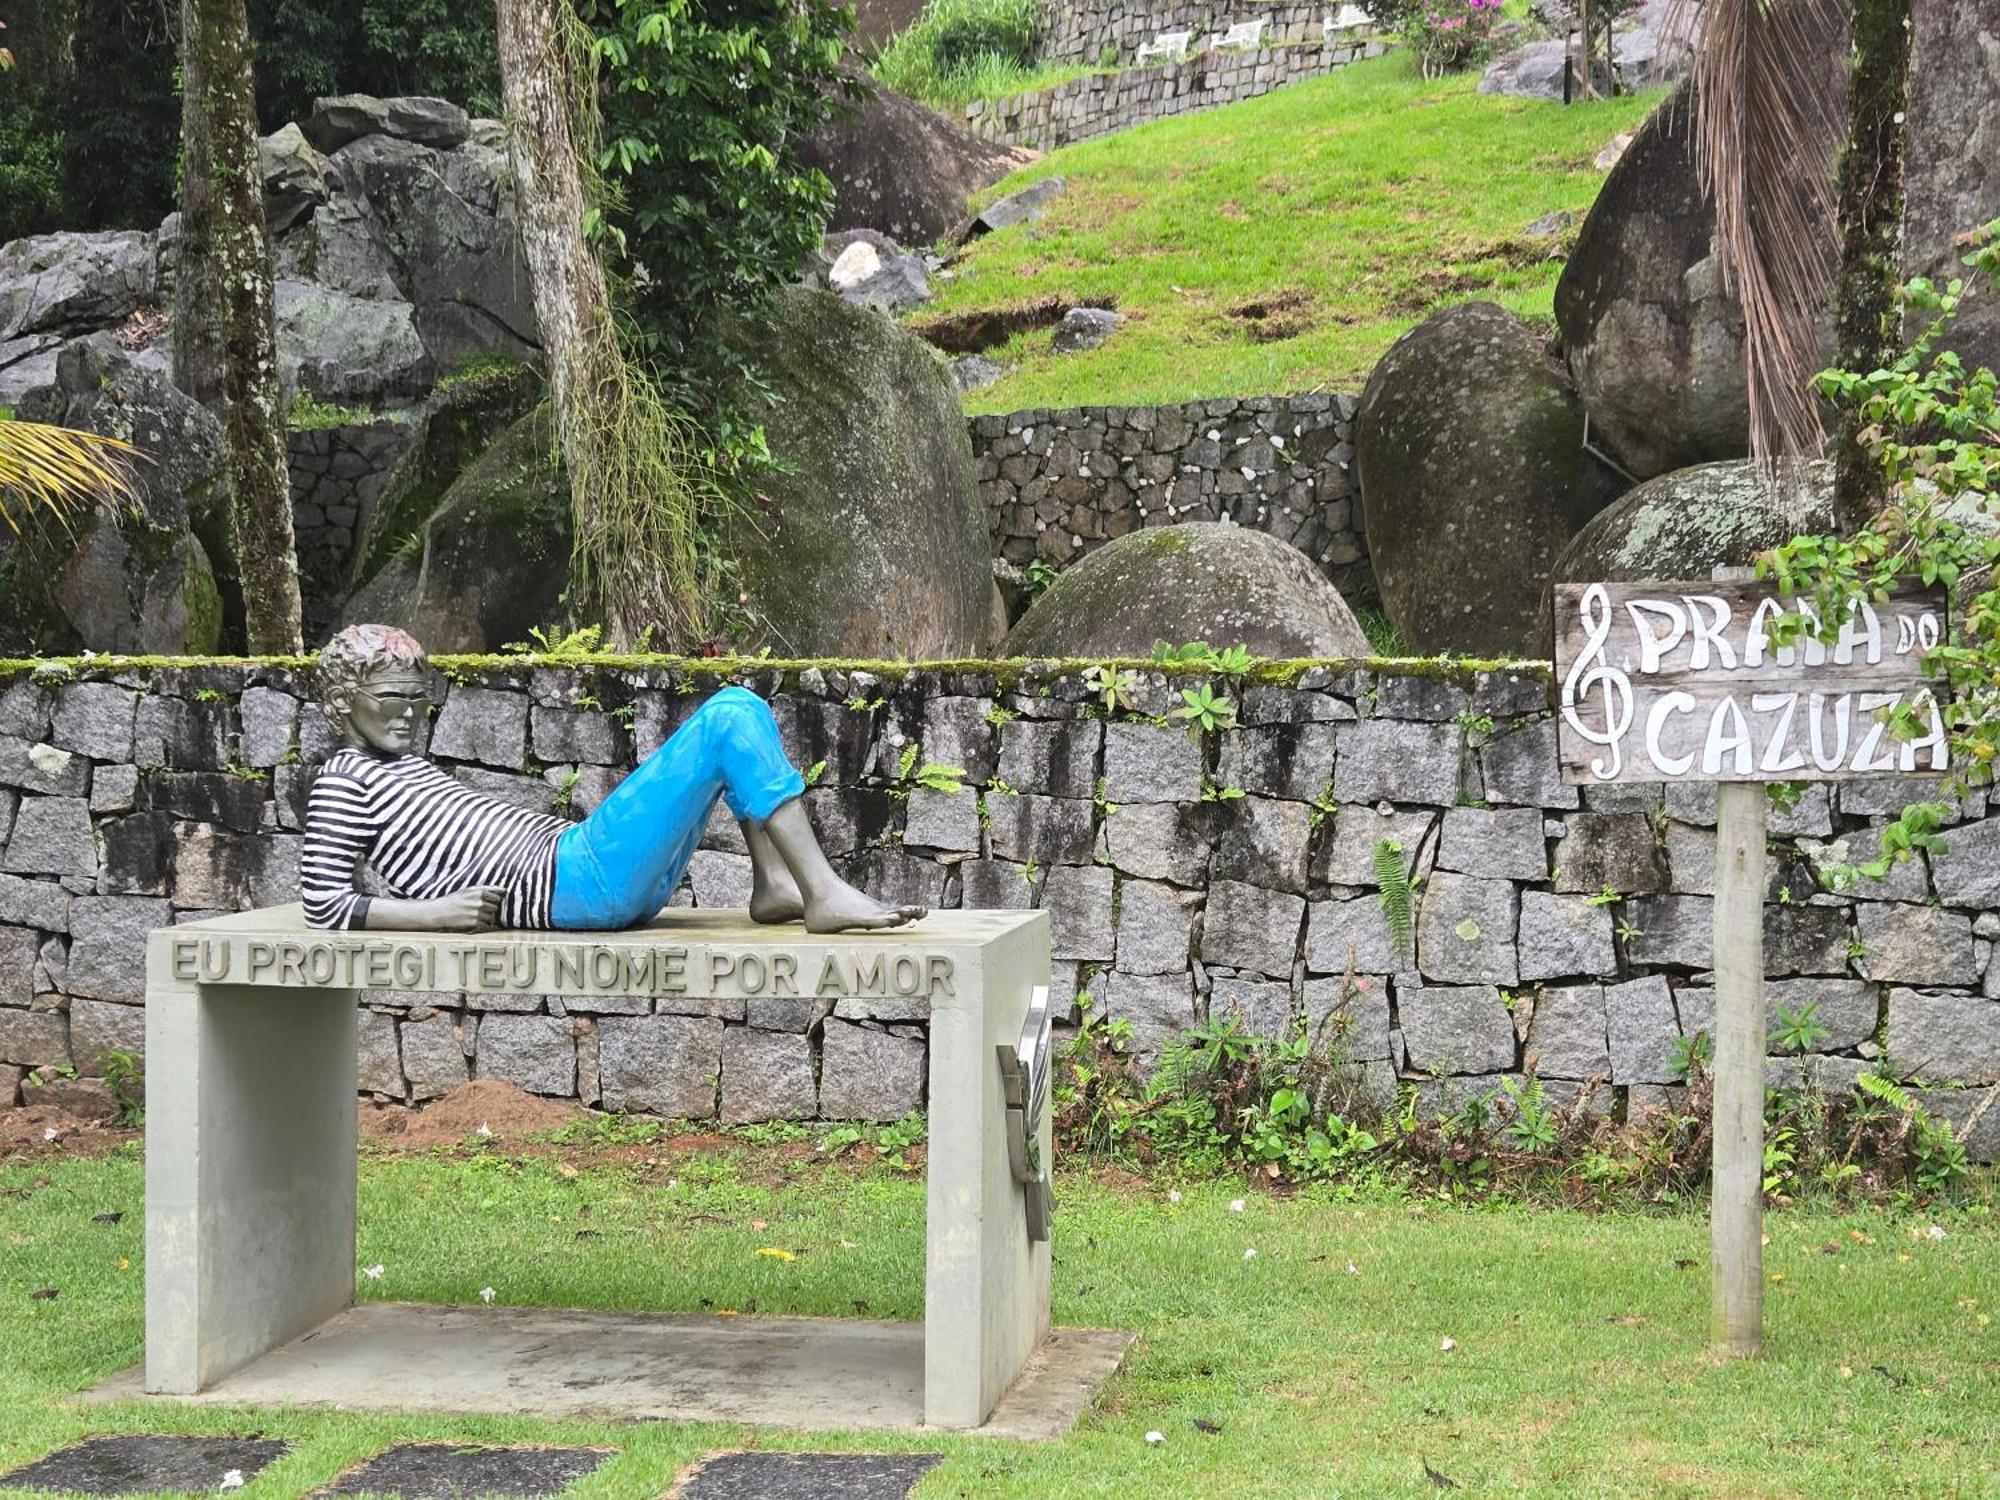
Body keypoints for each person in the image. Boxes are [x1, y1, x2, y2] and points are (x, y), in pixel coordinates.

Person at [301, 623, 926, 934]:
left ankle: (777, 884)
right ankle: (821, 892)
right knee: (730, 713)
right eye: (391, 697)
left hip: (579, 865)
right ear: (342, 700)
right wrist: (434, 915)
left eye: (417, 698)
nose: (411, 713)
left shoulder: (398, 766)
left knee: (746, 711)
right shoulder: (342, 780)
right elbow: (323, 905)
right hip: (573, 879)